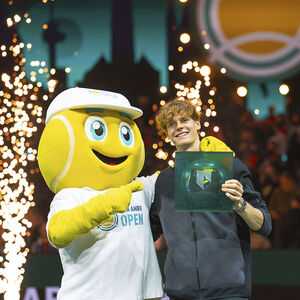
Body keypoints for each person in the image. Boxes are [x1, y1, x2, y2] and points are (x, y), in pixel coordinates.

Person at [38, 88, 163, 300]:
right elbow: (57, 233)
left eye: (125, 133)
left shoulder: (138, 189)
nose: (113, 144)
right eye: (98, 129)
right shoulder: (71, 195)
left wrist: (203, 154)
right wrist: (102, 205)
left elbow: (176, 178)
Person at [150, 99, 272, 300]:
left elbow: (264, 225)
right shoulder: (163, 181)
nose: (179, 126)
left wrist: (239, 204)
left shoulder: (229, 166)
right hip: (178, 293)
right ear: (167, 133)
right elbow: (150, 232)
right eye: (172, 124)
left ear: (197, 123)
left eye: (184, 120)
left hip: (228, 292)